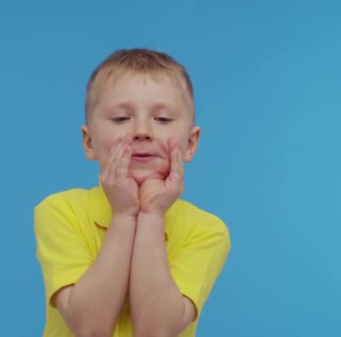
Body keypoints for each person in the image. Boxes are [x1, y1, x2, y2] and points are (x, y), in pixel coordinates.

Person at [34, 48, 231, 336]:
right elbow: (89, 328)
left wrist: (151, 215)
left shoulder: (206, 231)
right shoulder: (60, 211)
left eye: (162, 119)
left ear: (190, 143)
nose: (141, 131)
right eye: (121, 118)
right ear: (89, 141)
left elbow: (156, 331)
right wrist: (124, 215)